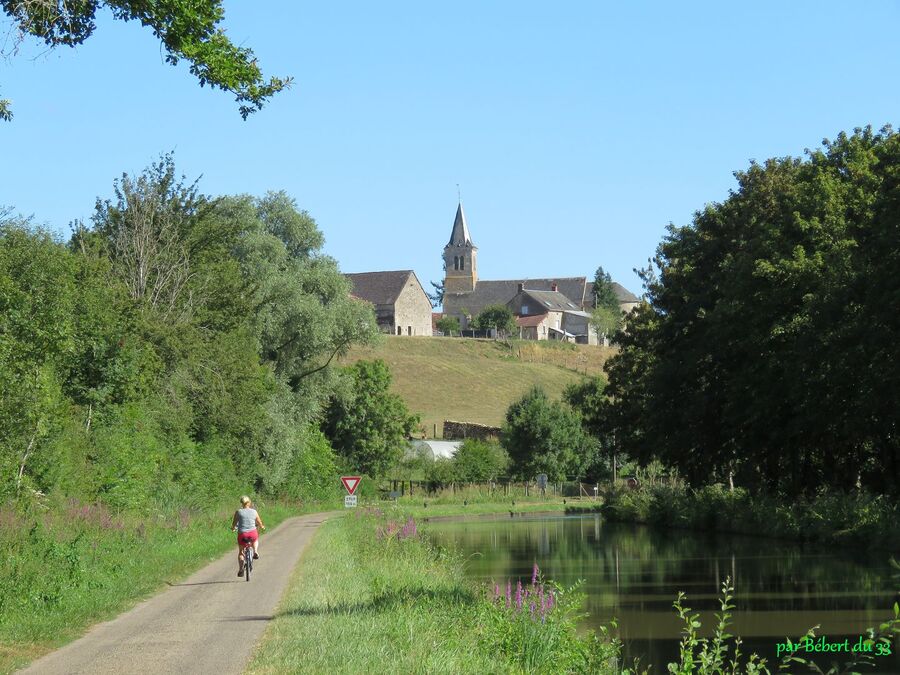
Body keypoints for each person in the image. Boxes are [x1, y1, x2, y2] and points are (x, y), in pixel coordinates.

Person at [231, 495, 266, 576]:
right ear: (249, 503)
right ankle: (256, 551)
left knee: (241, 552)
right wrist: (262, 526)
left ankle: (241, 569)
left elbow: (234, 523)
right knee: (255, 540)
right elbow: (259, 522)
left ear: (241, 503)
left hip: (242, 534)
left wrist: (233, 528)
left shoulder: (238, 512)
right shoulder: (254, 511)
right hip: (252, 533)